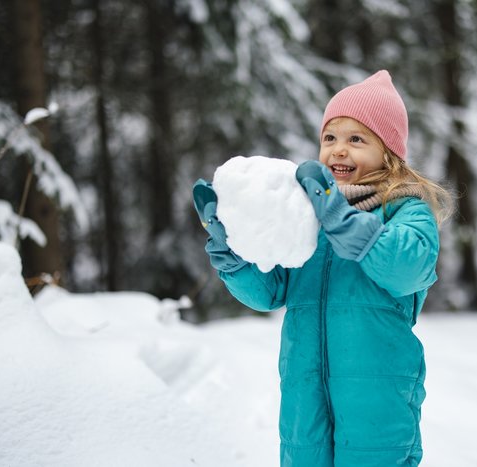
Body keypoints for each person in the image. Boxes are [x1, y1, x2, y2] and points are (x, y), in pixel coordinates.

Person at [193, 70, 453, 467]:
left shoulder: (404, 210)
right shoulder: (305, 216)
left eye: (356, 139)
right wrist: (234, 251)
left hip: (377, 399)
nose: (338, 150)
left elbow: (406, 267)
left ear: (388, 152)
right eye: (330, 138)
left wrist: (343, 220)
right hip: (305, 399)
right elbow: (269, 291)